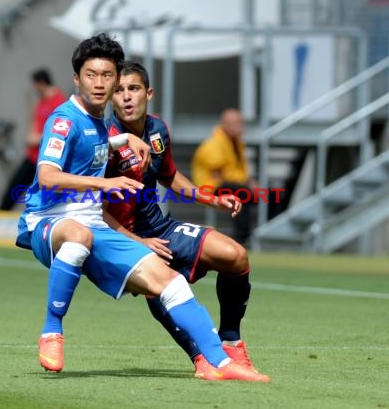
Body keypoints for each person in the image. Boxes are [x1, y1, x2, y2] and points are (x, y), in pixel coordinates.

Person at [15, 33, 268, 382]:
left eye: (108, 76)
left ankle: (222, 364)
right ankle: (51, 331)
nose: (101, 84)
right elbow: (46, 175)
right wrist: (107, 184)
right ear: (77, 78)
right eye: (91, 75)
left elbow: (132, 157)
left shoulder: (111, 122)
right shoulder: (64, 119)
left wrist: (123, 139)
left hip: (101, 226)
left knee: (170, 281)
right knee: (78, 235)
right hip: (51, 220)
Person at [104, 61, 270, 381]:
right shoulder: (103, 142)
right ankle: (201, 358)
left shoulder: (157, 130)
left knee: (235, 256)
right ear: (110, 98)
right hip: (120, 238)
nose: (126, 97)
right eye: (119, 91)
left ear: (148, 93)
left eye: (133, 89)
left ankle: (231, 341)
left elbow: (170, 176)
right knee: (160, 284)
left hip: (160, 227)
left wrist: (212, 197)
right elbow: (93, 209)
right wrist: (138, 242)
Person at [0, 68, 66, 211]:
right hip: (32, 156)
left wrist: (38, 139)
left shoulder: (58, 102)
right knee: (15, 186)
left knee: (45, 192)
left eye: (35, 84)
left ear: (41, 83)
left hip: (45, 157)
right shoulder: (41, 102)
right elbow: (35, 122)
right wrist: (31, 135)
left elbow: (61, 131)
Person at [191, 108, 257, 245]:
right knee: (242, 193)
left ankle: (250, 234)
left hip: (230, 184)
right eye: (237, 123)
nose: (241, 127)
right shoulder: (214, 144)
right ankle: (241, 239)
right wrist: (246, 185)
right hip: (210, 187)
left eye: (241, 122)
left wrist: (250, 183)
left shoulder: (237, 143)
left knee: (272, 196)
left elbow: (238, 171)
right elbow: (219, 175)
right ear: (225, 124)